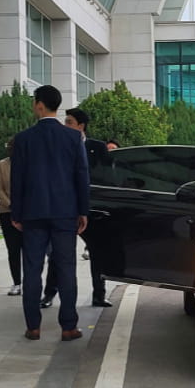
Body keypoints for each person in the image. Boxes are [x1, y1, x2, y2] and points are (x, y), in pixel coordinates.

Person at [10, 85, 89, 341]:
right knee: (66, 268)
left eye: (34, 102)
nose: (34, 105)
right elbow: (81, 177)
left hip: (32, 214)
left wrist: (16, 214)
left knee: (32, 269)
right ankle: (68, 326)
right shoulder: (73, 138)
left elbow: (17, 180)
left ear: (40, 105)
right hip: (65, 213)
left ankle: (33, 327)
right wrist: (83, 211)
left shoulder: (23, 139)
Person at [64, 107, 112, 308]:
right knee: (60, 253)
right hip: (65, 208)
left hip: (93, 209)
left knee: (97, 253)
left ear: (80, 126)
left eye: (69, 122)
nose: (65, 126)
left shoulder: (97, 147)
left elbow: (107, 176)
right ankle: (49, 293)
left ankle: (99, 295)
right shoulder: (61, 146)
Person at [0, 139, 22, 296]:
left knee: (30, 250)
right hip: (7, 211)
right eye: (9, 148)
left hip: (27, 213)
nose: (11, 150)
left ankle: (32, 282)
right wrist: (11, 205)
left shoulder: (29, 164)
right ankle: (17, 282)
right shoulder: (2, 166)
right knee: (13, 249)